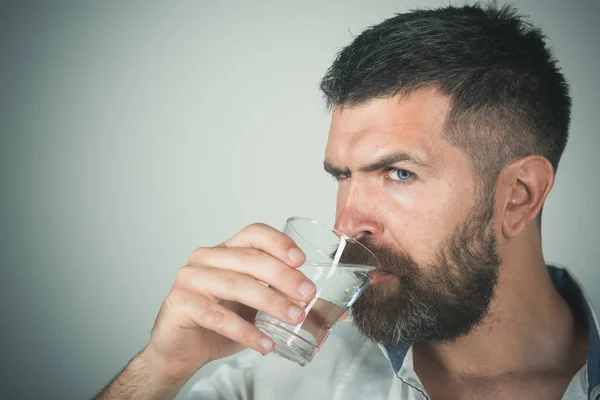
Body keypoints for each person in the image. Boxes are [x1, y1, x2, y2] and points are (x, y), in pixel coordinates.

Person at [94, 3, 599, 400]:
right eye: (343, 176)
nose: (346, 223)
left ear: (518, 196)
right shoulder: (277, 382)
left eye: (398, 173)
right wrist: (159, 371)